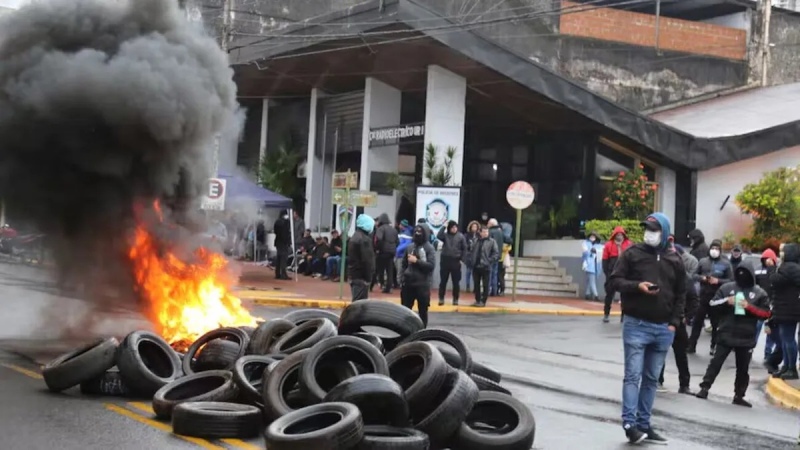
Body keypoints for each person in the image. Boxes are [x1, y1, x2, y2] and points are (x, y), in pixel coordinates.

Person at [609, 213, 685, 445]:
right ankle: (630, 424)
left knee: (651, 379)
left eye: (654, 229)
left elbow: (682, 293)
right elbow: (614, 281)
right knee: (632, 375)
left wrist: (674, 323)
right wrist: (636, 286)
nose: (649, 233)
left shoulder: (675, 259)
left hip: (663, 328)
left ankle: (644, 423)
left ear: (664, 232)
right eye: (647, 229)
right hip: (636, 325)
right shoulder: (632, 254)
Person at [695, 260, 771, 407]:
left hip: (746, 335)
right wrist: (726, 301)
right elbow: (712, 304)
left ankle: (739, 395)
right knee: (716, 362)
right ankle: (705, 387)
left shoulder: (759, 293)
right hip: (726, 332)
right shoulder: (727, 287)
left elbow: (766, 313)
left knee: (743, 368)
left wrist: (749, 307)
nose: (742, 275)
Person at [658, 239, 698, 395]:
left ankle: (684, 385)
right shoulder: (661, 275)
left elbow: (694, 300)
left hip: (678, 322)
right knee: (659, 352)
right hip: (663, 320)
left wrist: (686, 318)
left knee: (681, 355)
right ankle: (657, 380)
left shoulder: (686, 278)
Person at [688, 239, 733, 356]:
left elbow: (730, 280)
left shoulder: (725, 263)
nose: (714, 251)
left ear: (720, 250)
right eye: (713, 248)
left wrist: (718, 281)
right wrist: (702, 278)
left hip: (717, 298)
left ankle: (714, 346)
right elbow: (694, 275)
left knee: (715, 324)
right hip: (703, 297)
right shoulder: (703, 261)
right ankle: (691, 345)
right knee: (697, 322)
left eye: (717, 249)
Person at [769, 243, 800, 380]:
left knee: (788, 339)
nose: (781, 254)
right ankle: (786, 366)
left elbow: (774, 280)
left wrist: (771, 268)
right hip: (786, 308)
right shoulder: (792, 268)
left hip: (788, 309)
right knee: (785, 338)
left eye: (783, 252)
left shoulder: (789, 268)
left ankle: (791, 368)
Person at [401, 225, 436, 326]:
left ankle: (422, 332)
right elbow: (404, 264)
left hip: (422, 285)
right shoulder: (410, 247)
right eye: (416, 231)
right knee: (405, 310)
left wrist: (417, 261)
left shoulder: (429, 248)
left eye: (420, 232)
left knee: (423, 312)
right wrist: (402, 278)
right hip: (408, 284)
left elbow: (431, 266)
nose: (417, 234)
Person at [754, 248, 782, 373]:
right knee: (757, 327)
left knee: (770, 331)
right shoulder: (758, 270)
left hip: (773, 304)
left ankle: (767, 353)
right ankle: (750, 348)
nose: (767, 261)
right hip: (761, 304)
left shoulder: (777, 272)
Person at [602, 226, 632, 323]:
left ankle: (624, 316)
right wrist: (607, 274)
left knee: (625, 297)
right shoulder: (608, 245)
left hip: (625, 274)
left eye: (621, 235)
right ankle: (606, 314)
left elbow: (631, 259)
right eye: (618, 235)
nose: (619, 237)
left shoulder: (628, 244)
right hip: (612, 273)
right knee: (609, 295)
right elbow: (605, 261)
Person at [437, 221, 467, 306]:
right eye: (452, 227)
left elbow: (464, 248)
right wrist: (444, 226)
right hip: (445, 260)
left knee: (456, 282)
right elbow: (439, 236)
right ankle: (441, 298)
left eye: (455, 227)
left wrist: (462, 259)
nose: (454, 229)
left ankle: (455, 299)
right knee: (443, 281)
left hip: (456, 261)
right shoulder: (445, 235)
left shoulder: (461, 236)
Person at [468, 225, 499, 308]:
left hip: (486, 266)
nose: (486, 233)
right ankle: (477, 300)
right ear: (480, 232)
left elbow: (496, 253)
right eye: (484, 232)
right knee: (476, 285)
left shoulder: (492, 241)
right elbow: (471, 251)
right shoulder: (475, 240)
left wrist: (489, 261)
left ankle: (483, 301)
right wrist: (471, 261)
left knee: (486, 285)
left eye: (487, 232)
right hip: (476, 266)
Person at [347, 215, 376, 302]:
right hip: (361, 277)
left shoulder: (355, 236)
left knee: (357, 302)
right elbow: (367, 261)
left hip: (354, 274)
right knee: (360, 304)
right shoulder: (364, 240)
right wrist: (368, 278)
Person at [373, 213, 399, 294]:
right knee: (389, 270)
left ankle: (379, 284)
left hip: (382, 252)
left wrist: (377, 248)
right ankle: (388, 287)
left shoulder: (380, 229)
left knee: (379, 269)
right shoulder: (394, 229)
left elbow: (378, 239)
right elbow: (397, 241)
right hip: (391, 252)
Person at [488, 219, 510, 296]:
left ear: (491, 224)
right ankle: (495, 290)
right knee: (495, 274)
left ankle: (489, 290)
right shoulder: (500, 232)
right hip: (498, 256)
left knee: (489, 274)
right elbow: (509, 240)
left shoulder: (490, 232)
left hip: (490, 256)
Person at [582, 231, 602, 302]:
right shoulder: (585, 243)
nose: (592, 238)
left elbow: (601, 251)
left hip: (596, 265)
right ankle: (596, 295)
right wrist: (591, 251)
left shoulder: (599, 245)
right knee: (592, 280)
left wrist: (596, 251)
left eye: (594, 236)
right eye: (591, 236)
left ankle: (587, 294)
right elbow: (585, 251)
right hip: (588, 264)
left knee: (589, 280)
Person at [273, 210, 291, 280]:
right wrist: (287, 242)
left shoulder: (277, 221)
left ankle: (277, 273)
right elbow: (285, 233)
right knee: (283, 258)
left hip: (278, 242)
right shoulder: (285, 222)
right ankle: (283, 274)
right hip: (283, 242)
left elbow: (275, 231)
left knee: (279, 258)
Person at [395, 221, 413, 288]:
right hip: (398, 255)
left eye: (400, 224)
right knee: (398, 270)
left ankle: (400, 283)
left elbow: (406, 244)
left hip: (401, 255)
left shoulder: (407, 234)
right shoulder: (402, 233)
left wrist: (397, 250)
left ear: (403, 225)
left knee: (400, 271)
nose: (399, 225)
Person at [464, 221, 481, 292]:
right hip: (469, 255)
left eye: (475, 227)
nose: (474, 228)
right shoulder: (467, 235)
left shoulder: (479, 236)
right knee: (468, 272)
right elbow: (464, 245)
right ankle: (467, 286)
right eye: (473, 227)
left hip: (476, 256)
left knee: (476, 273)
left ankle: (475, 287)